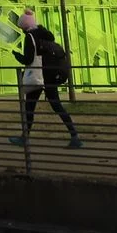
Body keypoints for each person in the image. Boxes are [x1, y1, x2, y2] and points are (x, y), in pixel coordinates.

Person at [7, 8, 81, 149]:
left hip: (38, 75)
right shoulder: (44, 35)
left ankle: (25, 137)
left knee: (29, 106)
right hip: (50, 75)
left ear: (24, 26)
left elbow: (28, 59)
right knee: (56, 105)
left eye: (21, 27)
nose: (21, 30)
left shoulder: (30, 37)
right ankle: (74, 136)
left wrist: (17, 56)